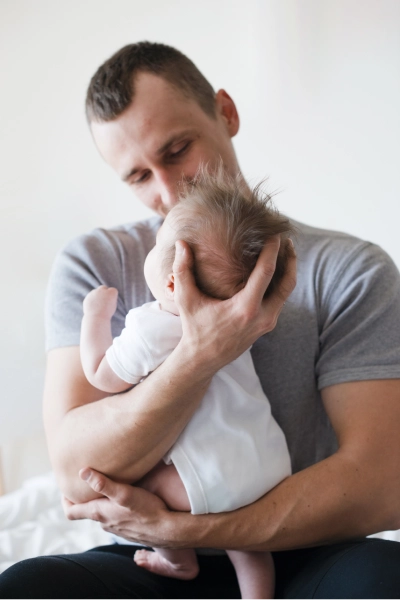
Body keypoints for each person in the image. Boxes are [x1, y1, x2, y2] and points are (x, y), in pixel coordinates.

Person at [1, 41, 400, 600]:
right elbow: (74, 469)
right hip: (145, 559)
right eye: (138, 176)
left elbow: (382, 485)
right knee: (26, 587)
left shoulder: (349, 271)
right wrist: (201, 354)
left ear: (226, 112)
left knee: (388, 577)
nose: (168, 193)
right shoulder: (94, 264)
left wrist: (189, 530)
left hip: (306, 550)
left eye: (178, 149)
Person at [80, 169, 293, 599]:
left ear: (173, 281)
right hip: (266, 468)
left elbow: (101, 375)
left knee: (142, 487)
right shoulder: (241, 323)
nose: (154, 243)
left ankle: (178, 558)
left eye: (160, 244)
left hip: (202, 481)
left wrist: (95, 317)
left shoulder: (151, 326)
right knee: (249, 549)